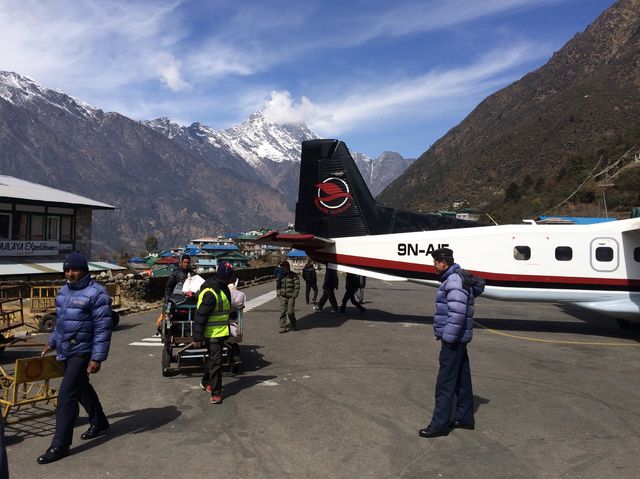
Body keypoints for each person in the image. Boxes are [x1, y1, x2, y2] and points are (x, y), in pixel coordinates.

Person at [37, 252, 112, 464]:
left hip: (83, 350)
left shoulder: (97, 294)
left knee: (66, 395)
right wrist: (51, 342)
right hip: (65, 349)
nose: (71, 274)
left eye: (75, 269)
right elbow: (61, 323)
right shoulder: (63, 292)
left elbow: (103, 329)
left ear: (85, 270)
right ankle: (99, 421)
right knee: (80, 387)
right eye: (67, 270)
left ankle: (60, 445)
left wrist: (97, 358)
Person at [419, 247, 484, 438]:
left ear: (443, 263)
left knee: (445, 383)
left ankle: (439, 424)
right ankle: (465, 417)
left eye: (434, 262)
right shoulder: (456, 277)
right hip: (459, 340)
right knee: (462, 380)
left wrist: (448, 338)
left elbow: (457, 314)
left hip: (453, 341)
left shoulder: (453, 281)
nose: (433, 266)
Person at [193, 262, 235, 404]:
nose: (232, 278)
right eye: (231, 276)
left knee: (213, 359)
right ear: (225, 276)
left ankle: (206, 382)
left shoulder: (223, 288)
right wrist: (197, 337)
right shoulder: (211, 293)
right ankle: (216, 393)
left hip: (220, 332)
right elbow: (200, 316)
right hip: (211, 334)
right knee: (216, 362)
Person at [278, 261, 300, 333]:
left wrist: (294, 295)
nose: (282, 268)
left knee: (290, 312)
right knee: (283, 312)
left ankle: (293, 323)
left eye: (283, 266)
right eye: (281, 266)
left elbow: (297, 286)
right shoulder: (280, 275)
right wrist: (278, 293)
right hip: (283, 296)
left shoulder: (293, 275)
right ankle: (282, 327)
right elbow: (278, 286)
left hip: (291, 296)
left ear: (287, 267)